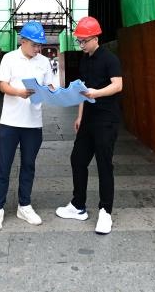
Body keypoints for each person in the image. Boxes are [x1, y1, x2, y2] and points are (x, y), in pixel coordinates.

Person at [55, 15, 123, 234]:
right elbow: (83, 91)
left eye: (84, 41)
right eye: (79, 41)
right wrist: (79, 116)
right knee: (77, 159)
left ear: (95, 38)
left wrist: (97, 93)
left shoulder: (110, 59)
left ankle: (105, 212)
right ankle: (78, 205)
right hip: (88, 120)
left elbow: (118, 85)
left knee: (104, 165)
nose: (81, 45)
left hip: (106, 120)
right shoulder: (84, 60)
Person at [0, 20, 55, 232]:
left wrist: (54, 92)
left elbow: (50, 85)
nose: (38, 49)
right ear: (23, 41)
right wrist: (19, 93)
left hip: (33, 123)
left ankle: (24, 205)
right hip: (10, 122)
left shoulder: (44, 62)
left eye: (40, 45)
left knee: (28, 165)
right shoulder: (9, 58)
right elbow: (2, 85)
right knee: (3, 166)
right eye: (34, 45)